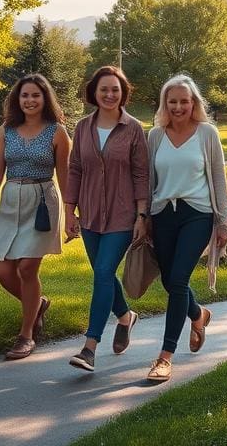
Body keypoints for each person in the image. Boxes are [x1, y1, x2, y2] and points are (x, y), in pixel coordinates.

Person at [144, 74, 227, 383]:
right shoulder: (154, 135)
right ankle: (198, 315)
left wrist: (223, 222)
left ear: (193, 103)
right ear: (164, 103)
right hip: (163, 214)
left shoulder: (207, 134)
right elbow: (148, 182)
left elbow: (218, 179)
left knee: (179, 279)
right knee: (170, 280)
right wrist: (145, 218)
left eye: (184, 100)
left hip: (197, 214)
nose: (179, 106)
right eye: (173, 101)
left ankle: (165, 356)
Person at [64, 65, 150, 372]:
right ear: (94, 93)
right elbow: (75, 169)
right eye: (104, 89)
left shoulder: (134, 129)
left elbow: (142, 174)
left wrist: (142, 214)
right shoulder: (83, 127)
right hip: (89, 215)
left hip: (123, 215)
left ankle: (89, 347)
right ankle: (126, 317)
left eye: (115, 89)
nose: (110, 94)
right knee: (104, 274)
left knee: (102, 271)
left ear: (123, 92)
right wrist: (68, 210)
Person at [0, 73, 71, 361]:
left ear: (44, 98)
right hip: (10, 200)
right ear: (17, 100)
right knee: (2, 270)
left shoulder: (57, 131)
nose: (30, 100)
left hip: (42, 202)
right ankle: (38, 304)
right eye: (24, 95)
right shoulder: (6, 130)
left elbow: (65, 174)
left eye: (35, 95)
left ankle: (26, 335)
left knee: (27, 268)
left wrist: (71, 212)